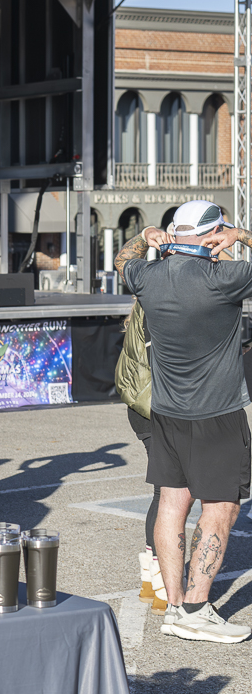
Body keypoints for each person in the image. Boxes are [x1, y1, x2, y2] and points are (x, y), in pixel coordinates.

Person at [116, 200, 252, 643]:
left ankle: (174, 604)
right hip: (217, 416)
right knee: (221, 508)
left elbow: (122, 259)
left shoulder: (147, 276)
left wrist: (147, 236)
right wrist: (240, 235)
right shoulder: (224, 278)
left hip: (167, 413)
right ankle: (195, 608)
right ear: (213, 234)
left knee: (172, 505)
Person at [113, 297, 167, 615]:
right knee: (169, 493)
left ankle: (151, 580)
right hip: (155, 409)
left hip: (143, 409)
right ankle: (161, 584)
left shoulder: (143, 309)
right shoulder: (157, 311)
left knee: (164, 492)